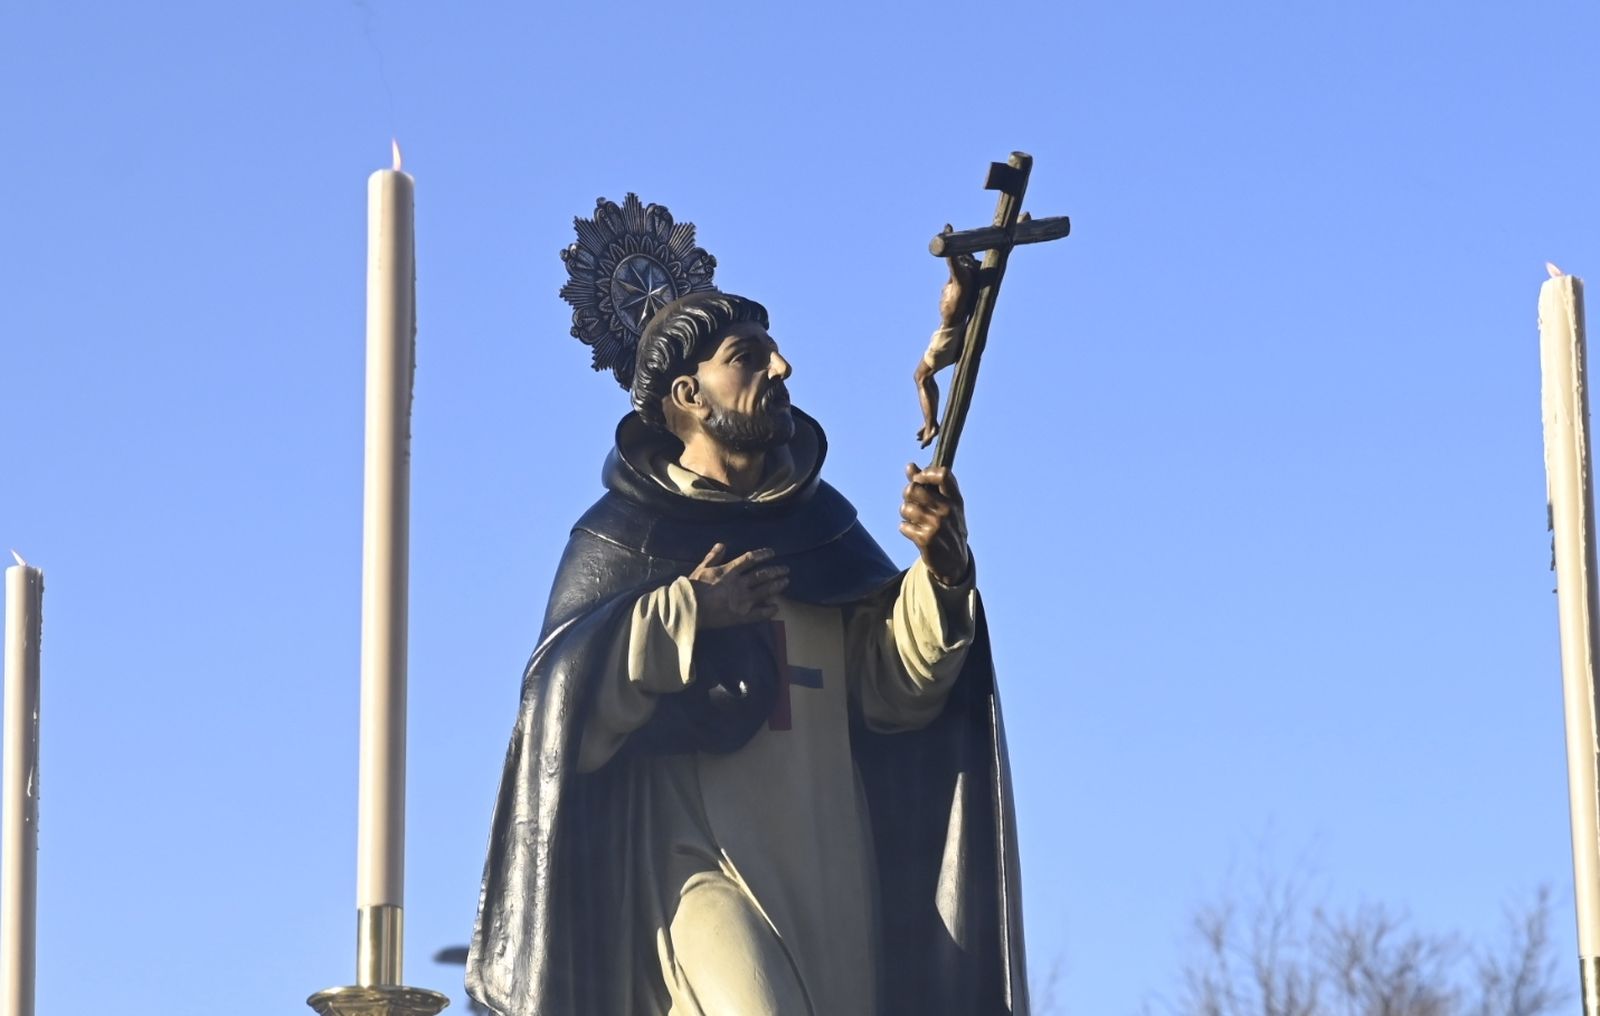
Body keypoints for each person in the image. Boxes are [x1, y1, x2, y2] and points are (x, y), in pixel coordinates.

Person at [467, 291, 1028, 1016]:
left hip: (829, 861)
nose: (782, 367)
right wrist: (690, 609)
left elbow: (896, 691)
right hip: (697, 864)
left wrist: (943, 574)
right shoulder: (623, 536)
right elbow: (561, 703)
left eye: (774, 351)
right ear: (688, 394)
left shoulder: (821, 533)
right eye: (749, 357)